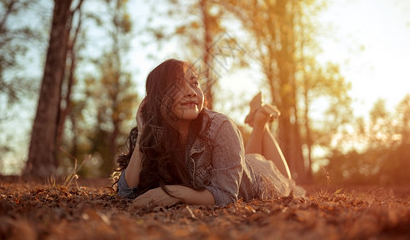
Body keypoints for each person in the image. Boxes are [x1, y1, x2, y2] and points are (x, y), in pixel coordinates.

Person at [116, 59, 305, 208]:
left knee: (289, 183)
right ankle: (259, 121)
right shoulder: (155, 134)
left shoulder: (221, 126)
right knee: (246, 162)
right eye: (178, 86)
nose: (191, 92)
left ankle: (260, 123)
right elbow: (126, 191)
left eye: (194, 83)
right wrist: (143, 135)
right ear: (158, 98)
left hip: (261, 181)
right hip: (240, 166)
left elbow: (226, 196)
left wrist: (172, 193)